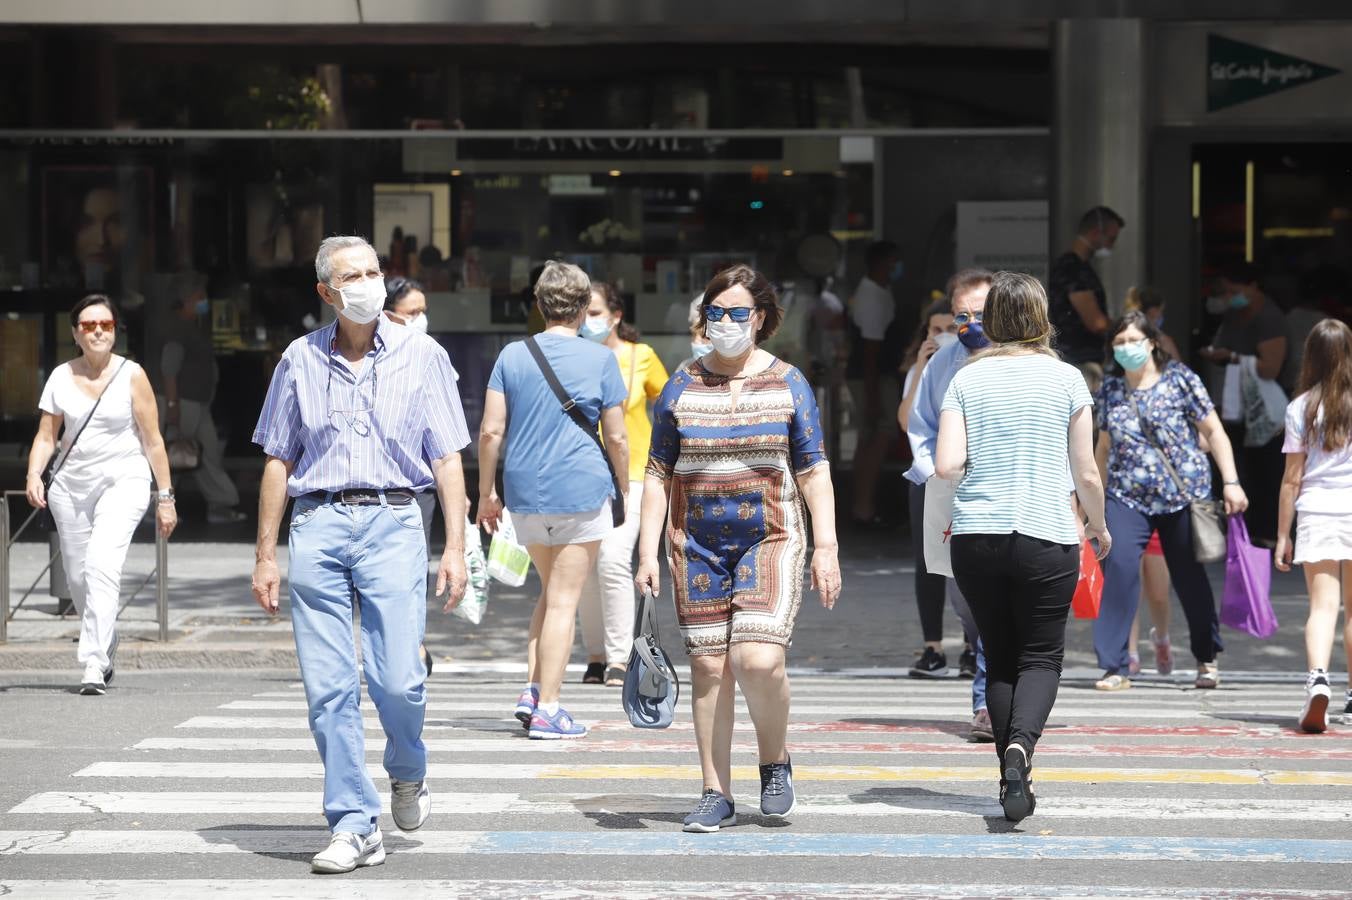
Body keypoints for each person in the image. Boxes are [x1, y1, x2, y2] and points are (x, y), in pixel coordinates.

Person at [250, 235, 472, 875]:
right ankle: (353, 822)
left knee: (397, 676)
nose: (369, 283)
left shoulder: (422, 353)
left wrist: (454, 546)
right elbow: (277, 457)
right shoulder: (298, 358)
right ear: (326, 291)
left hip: (395, 519)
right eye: (353, 275)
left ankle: (408, 767)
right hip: (316, 521)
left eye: (375, 271)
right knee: (329, 687)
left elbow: (447, 456)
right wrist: (266, 554)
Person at [636, 264, 841, 833]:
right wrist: (646, 551)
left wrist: (826, 546)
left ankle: (775, 762)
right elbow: (658, 471)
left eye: (737, 313)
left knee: (757, 659)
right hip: (695, 543)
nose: (725, 323)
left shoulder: (789, 382)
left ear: (761, 319)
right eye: (716, 313)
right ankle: (715, 791)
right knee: (707, 665)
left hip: (770, 538)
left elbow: (813, 469)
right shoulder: (680, 384)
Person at [935, 271, 1109, 823]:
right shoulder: (1067, 380)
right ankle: (1019, 753)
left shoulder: (966, 380)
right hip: (1046, 533)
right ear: (1041, 317)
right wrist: (1098, 527)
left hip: (977, 537)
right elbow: (1086, 471)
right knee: (1041, 656)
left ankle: (1010, 773)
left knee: (1000, 656)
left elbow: (945, 465)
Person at [477, 260, 629, 739]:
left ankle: (533, 688)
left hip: (523, 490)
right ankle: (550, 708)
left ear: (538, 306)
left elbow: (490, 431)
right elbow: (618, 437)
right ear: (585, 308)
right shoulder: (601, 358)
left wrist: (486, 493)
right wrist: (624, 488)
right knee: (564, 600)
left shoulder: (512, 355)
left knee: (549, 593)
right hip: (580, 489)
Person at [25, 294, 178, 695]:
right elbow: (46, 435)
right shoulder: (60, 376)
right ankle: (106, 637)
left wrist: (165, 496)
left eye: (106, 326)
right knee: (77, 576)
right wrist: (34, 473)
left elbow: (153, 440)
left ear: (115, 332)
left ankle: (93, 661)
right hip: (71, 486)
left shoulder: (132, 374)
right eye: (89, 326)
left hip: (123, 480)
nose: (98, 332)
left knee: (101, 565)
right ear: (76, 333)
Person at [1093, 311, 1249, 691]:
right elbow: (1102, 448)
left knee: (1190, 579)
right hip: (1126, 496)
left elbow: (1213, 431)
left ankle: (1206, 657)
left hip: (1183, 496)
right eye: (1119, 342)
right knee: (1120, 570)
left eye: (1133, 340)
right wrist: (1090, 499)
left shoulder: (1180, 379)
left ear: (1152, 343)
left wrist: (1231, 481)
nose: (1126, 348)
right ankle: (1115, 665)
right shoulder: (1111, 390)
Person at [900, 271, 994, 738]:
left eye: (981, 314)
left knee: (1002, 601)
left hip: (1009, 499)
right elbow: (920, 428)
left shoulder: (1026, 362)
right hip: (954, 497)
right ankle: (978, 651)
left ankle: (987, 704)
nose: (971, 323)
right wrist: (936, 475)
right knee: (968, 605)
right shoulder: (941, 364)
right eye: (963, 315)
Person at [577, 282, 669, 686]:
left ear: (616, 316)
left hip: (631, 475)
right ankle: (595, 656)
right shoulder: (573, 356)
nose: (588, 320)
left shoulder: (640, 356)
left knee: (613, 560)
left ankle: (618, 657)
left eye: (595, 312)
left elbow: (669, 405)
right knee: (584, 568)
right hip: (580, 475)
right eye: (583, 312)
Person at [1277, 319, 1352, 733]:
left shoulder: (1300, 408)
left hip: (1318, 510)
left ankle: (1318, 678)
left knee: (1323, 606)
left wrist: (1283, 535)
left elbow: (1292, 479)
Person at [1201, 262, 1289, 545]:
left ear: (1252, 287)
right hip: (1237, 410)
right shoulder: (1235, 315)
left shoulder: (1268, 318)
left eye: (1233, 290)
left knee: (1267, 470)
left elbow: (1270, 368)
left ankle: (1267, 532)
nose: (1228, 296)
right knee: (1246, 469)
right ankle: (1245, 531)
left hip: (1264, 412)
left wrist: (1233, 357)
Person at [155, 271, 246, 525]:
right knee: (175, 454)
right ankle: (156, 506)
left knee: (205, 453)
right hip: (182, 403)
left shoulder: (189, 326)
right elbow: (169, 368)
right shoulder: (177, 328)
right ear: (186, 299)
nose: (204, 301)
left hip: (195, 404)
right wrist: (173, 405)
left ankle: (221, 505)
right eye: (199, 296)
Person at [384, 274, 440, 678]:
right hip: (380, 484)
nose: (420, 319)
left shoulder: (430, 353)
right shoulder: (373, 358)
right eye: (411, 312)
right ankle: (390, 645)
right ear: (389, 315)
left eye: (423, 311)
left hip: (419, 484)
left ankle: (413, 644)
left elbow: (446, 436)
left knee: (414, 566)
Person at [848, 240, 901, 527]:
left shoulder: (881, 291)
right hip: (873, 378)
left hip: (877, 376)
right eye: (893, 261)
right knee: (876, 436)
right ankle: (863, 507)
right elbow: (870, 350)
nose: (896, 267)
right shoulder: (870, 296)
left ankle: (863, 505)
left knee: (873, 437)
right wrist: (872, 396)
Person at [1048, 206, 1124, 381]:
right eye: (1111, 238)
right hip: (1080, 362)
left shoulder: (1080, 267)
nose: (1112, 245)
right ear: (1097, 232)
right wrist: (1129, 328)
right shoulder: (1072, 268)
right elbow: (1096, 322)